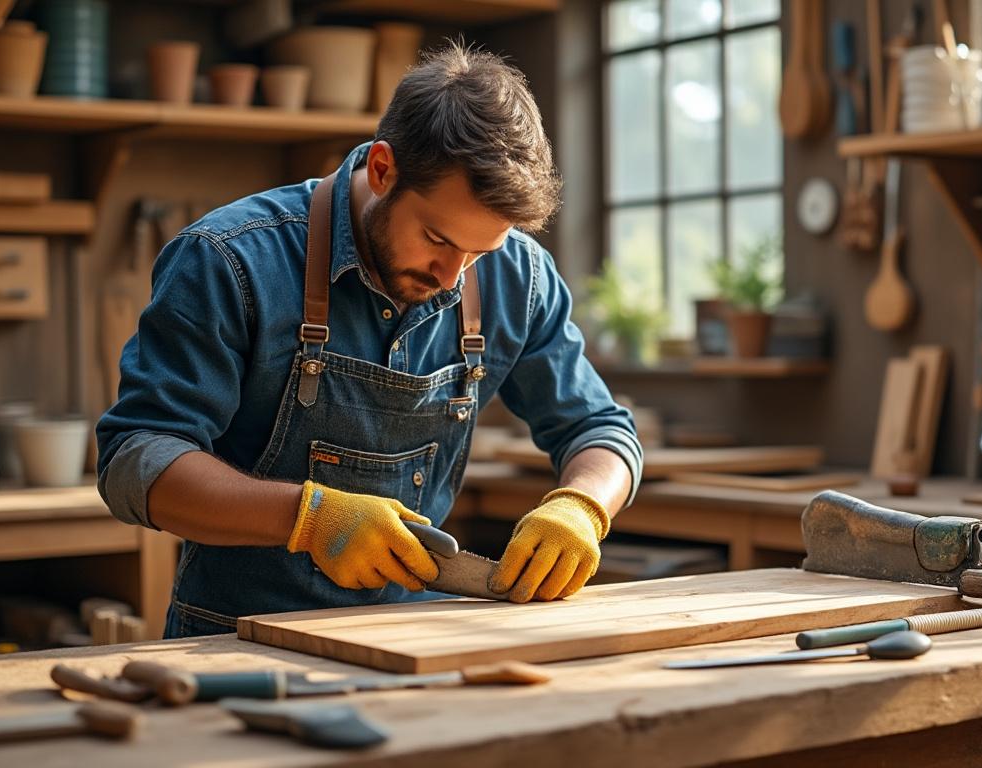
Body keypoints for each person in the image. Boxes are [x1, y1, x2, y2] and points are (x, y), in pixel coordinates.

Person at [96, 44, 642, 638]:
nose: (450, 277)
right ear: (382, 170)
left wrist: (581, 507)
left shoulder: (520, 276)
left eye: (479, 253)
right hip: (236, 638)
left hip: (408, 637)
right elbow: (136, 463)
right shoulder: (230, 260)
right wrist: (310, 518)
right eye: (436, 237)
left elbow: (600, 430)